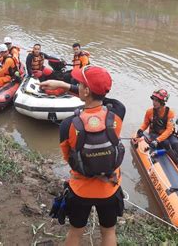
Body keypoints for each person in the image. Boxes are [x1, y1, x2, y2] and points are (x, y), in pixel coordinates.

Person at [40, 65, 125, 246]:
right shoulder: (118, 113)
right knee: (108, 231)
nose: (76, 85)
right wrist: (70, 87)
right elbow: (104, 98)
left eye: (79, 83)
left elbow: (68, 158)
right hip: (110, 188)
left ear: (86, 91)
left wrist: (63, 86)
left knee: (76, 231)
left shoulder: (68, 124)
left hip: (80, 190)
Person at [134, 89, 178, 179]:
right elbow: (145, 123)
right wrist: (140, 130)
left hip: (166, 134)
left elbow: (169, 130)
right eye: (153, 100)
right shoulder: (149, 112)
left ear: (162, 102)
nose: (154, 102)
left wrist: (157, 140)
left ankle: (161, 152)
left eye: (156, 101)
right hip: (154, 133)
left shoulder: (170, 113)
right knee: (166, 143)